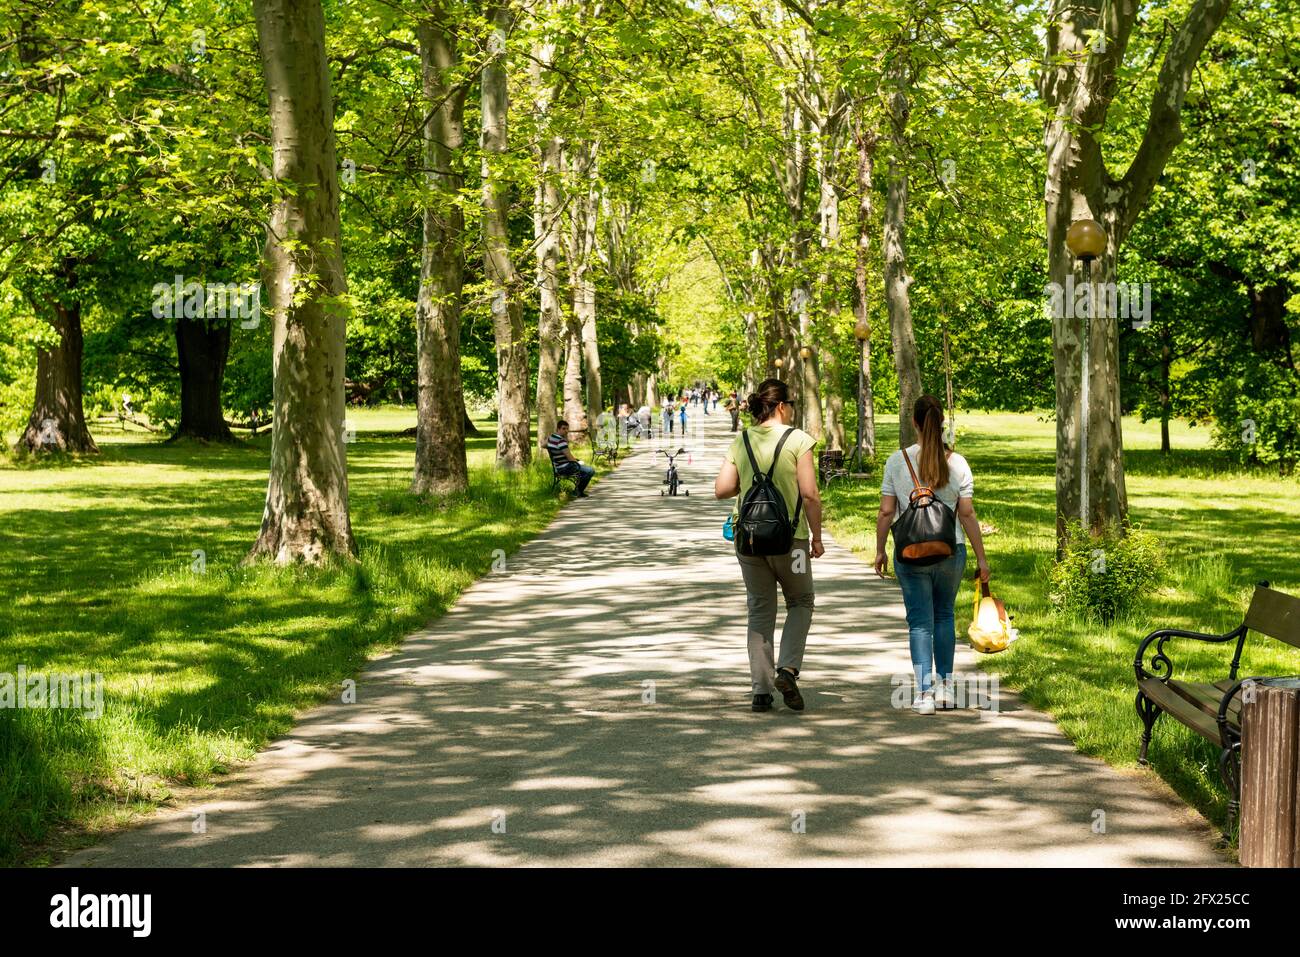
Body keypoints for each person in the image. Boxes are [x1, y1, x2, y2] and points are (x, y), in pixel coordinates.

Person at [873, 395, 989, 715]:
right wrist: (982, 559)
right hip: (951, 551)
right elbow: (966, 514)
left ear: (914, 422)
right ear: (941, 424)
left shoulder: (898, 461)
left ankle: (924, 694)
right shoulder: (958, 463)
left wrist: (881, 550)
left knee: (920, 623)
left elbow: (886, 512)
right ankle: (946, 689)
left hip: (910, 553)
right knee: (944, 616)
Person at [714, 378, 823, 713]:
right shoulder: (798, 440)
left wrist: (752, 483)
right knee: (801, 601)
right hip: (791, 542)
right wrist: (817, 537)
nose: (792, 410)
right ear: (780, 406)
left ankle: (761, 691)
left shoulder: (742, 440)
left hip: (749, 541)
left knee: (760, 609)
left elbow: (722, 489)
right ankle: (787, 670)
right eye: (790, 404)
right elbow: (809, 494)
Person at [546, 420, 595, 497]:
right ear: (558, 429)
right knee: (590, 471)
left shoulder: (551, 438)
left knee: (582, 467)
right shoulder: (561, 441)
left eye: (567, 429)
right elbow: (570, 458)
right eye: (563, 429)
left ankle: (577, 490)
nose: (566, 431)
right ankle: (577, 491)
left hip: (558, 467)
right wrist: (577, 462)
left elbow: (543, 444)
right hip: (565, 468)